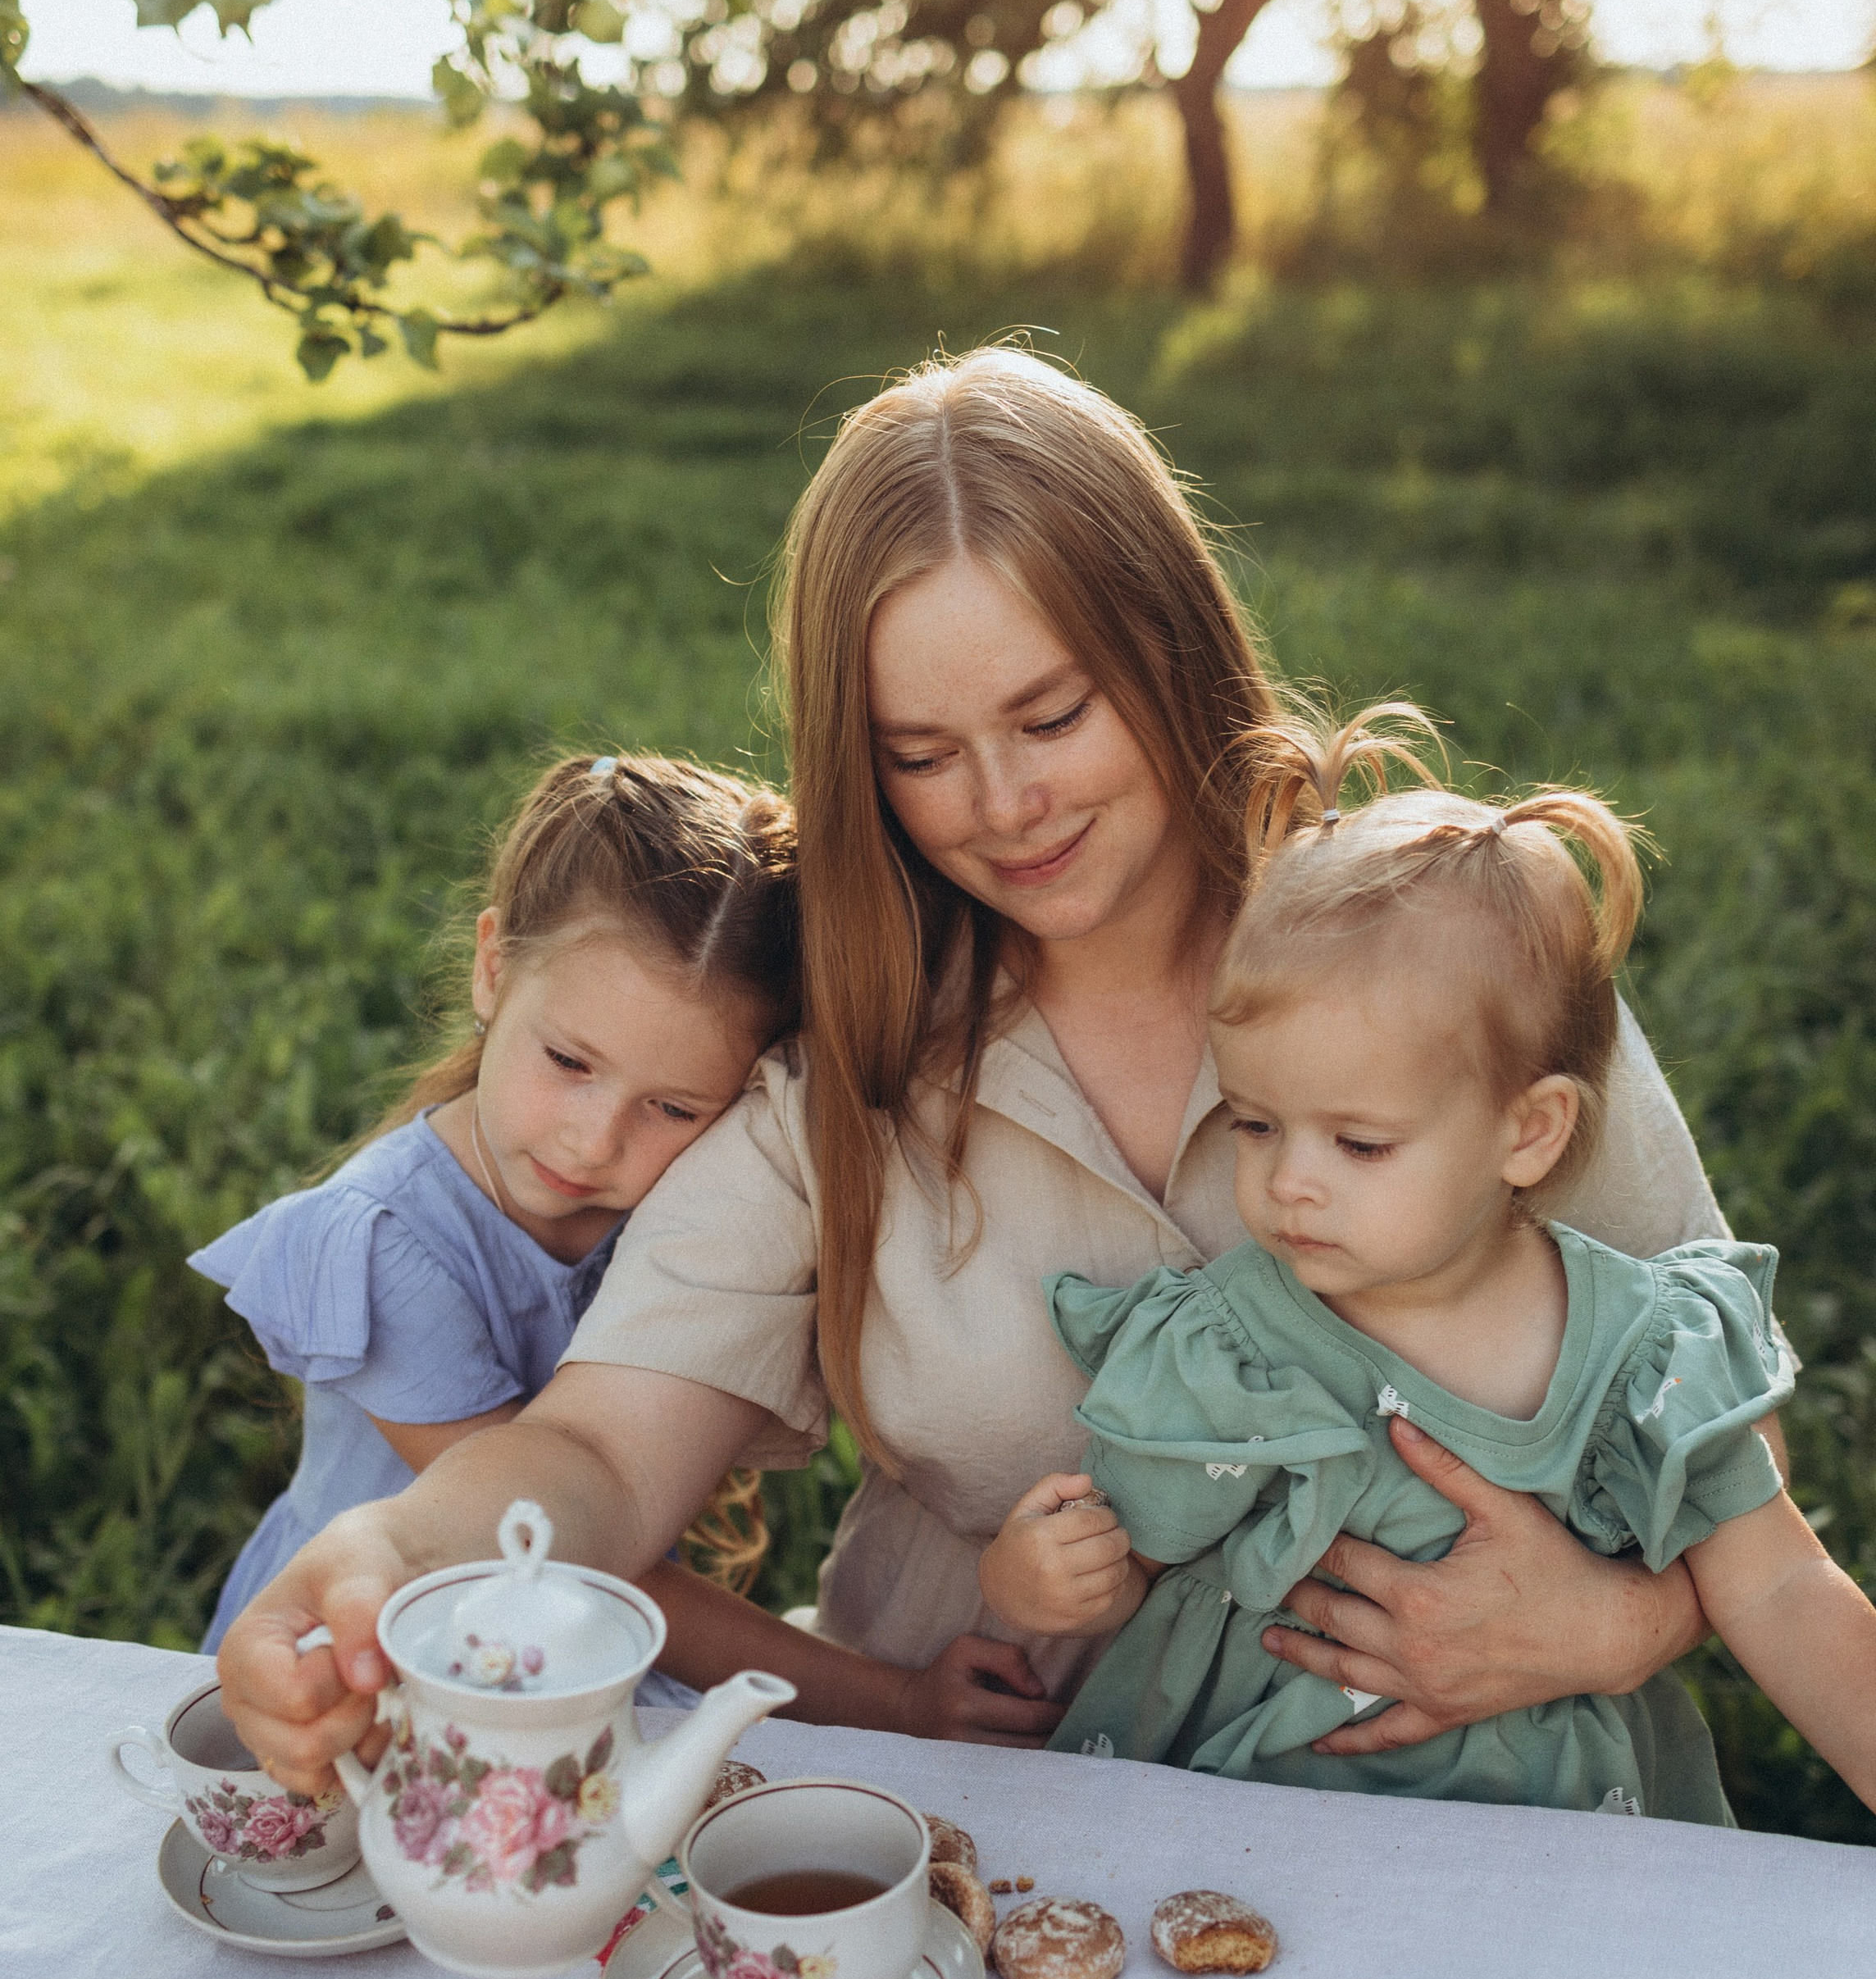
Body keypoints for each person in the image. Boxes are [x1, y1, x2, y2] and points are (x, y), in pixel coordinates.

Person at [217, 346, 1743, 1799]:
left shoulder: (1443, 945)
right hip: (987, 1802)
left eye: (1052, 716)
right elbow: (602, 1448)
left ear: (1172, 649)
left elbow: (1725, 1397)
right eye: (921, 753)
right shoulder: (841, 1055)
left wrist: (1627, 1623)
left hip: (1468, 1802)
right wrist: (401, 1555)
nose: (1005, 806)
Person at [981, 707, 1875, 1822]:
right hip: (1257, 1820)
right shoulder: (1234, 1346)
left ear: (1529, 1132)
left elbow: (1786, 1587)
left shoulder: (1643, 1356)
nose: (1288, 1182)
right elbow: (1132, 1557)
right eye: (1255, 1125)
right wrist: (1053, 1573)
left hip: (1549, 1844)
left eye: (1359, 1143)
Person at [189, 752, 799, 1646]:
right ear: (490, 969)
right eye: (568, 1062)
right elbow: (550, 1554)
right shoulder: (387, 1242)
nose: (593, 1143)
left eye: (672, 1108)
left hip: (569, 1642)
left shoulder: (701, 1218)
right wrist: (892, 1700)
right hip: (363, 1650)